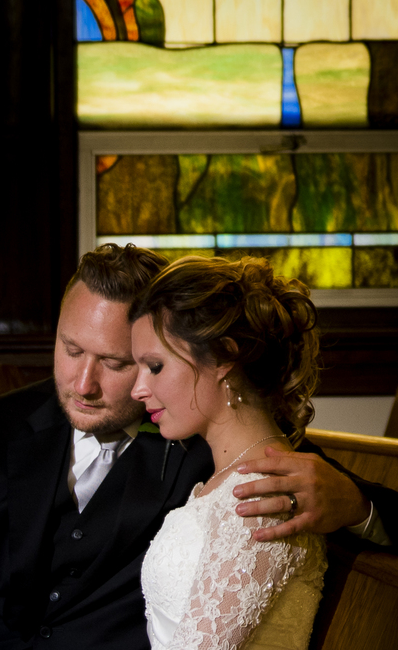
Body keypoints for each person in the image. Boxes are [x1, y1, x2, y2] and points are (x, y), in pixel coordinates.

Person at [0, 244, 398, 649]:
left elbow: (381, 513)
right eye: (70, 350)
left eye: (117, 363)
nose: (83, 383)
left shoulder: (206, 430)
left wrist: (355, 504)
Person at [128, 254, 342, 649]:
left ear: (224, 356)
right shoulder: (229, 479)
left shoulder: (262, 495)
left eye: (155, 366)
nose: (137, 389)